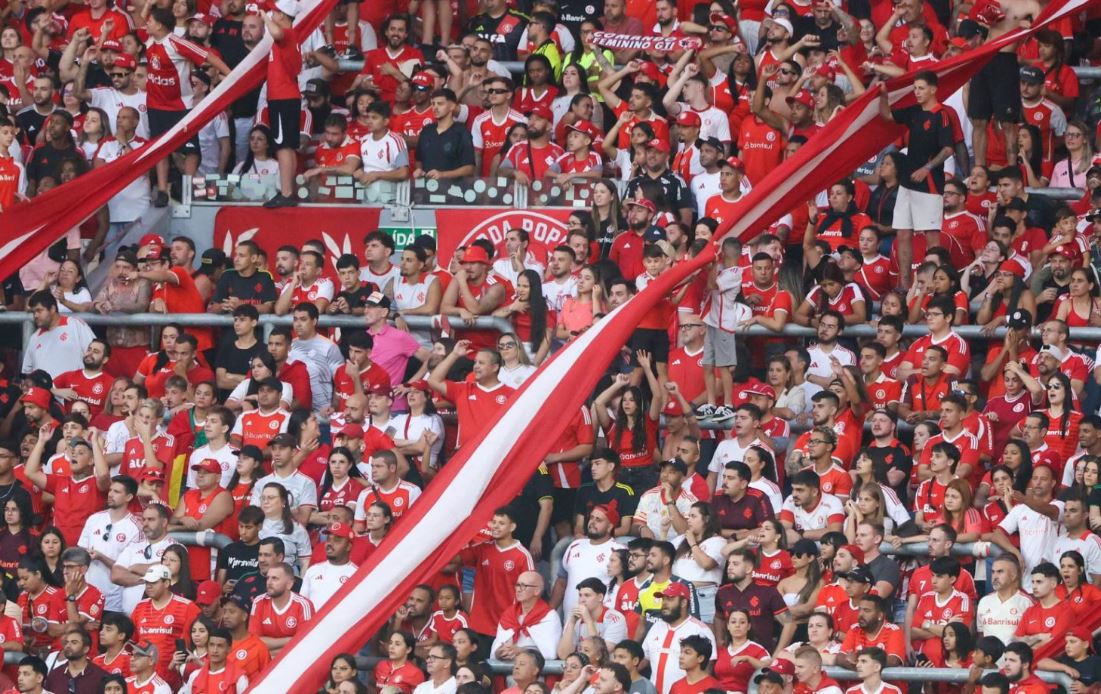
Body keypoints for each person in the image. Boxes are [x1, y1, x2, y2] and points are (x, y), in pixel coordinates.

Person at [878, 73, 956, 288]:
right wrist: (883, 95)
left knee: (931, 237)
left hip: (929, 183)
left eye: (921, 88)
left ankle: (934, 284)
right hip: (907, 182)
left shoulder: (942, 115)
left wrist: (927, 168)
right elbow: (886, 115)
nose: (917, 92)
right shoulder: (914, 111)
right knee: (903, 233)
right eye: (915, 88)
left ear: (933, 89)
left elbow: (948, 148)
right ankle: (904, 285)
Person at [641, 582, 716, 694]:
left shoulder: (700, 630)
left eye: (670, 599)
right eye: (663, 599)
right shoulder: (656, 626)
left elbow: (708, 667)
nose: (664, 603)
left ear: (683, 602)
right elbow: (644, 658)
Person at [492, 571, 561, 661]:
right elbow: (496, 648)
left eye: (523, 586)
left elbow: (550, 653)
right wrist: (500, 652)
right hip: (506, 667)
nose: (518, 589)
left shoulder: (549, 617)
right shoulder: (508, 615)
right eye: (517, 585)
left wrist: (521, 651)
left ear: (537, 591)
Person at [249, 561, 314, 656]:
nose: (269, 582)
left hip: (293, 659)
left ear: (289, 584)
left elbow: (303, 644)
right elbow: (254, 641)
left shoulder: (303, 605)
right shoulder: (259, 601)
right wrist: (289, 640)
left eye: (275, 578)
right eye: (268, 578)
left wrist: (270, 653)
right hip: (266, 660)